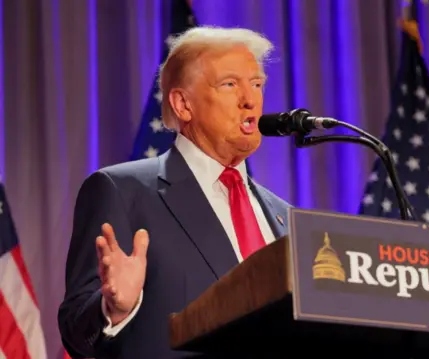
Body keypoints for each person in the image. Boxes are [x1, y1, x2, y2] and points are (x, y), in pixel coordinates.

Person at [58, 26, 291, 359]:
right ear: (183, 104)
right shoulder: (122, 192)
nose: (250, 100)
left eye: (256, 84)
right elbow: (76, 332)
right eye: (229, 84)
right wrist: (112, 309)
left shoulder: (284, 214)